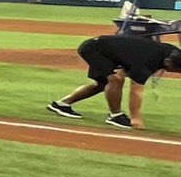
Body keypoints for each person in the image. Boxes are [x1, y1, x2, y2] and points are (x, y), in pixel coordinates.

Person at [49, 34, 181, 130]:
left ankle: (62, 105)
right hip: (94, 49)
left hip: (110, 52)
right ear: (168, 62)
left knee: (102, 85)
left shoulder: (173, 53)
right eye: (176, 70)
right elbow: (136, 90)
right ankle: (116, 115)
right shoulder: (149, 61)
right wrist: (136, 118)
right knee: (116, 78)